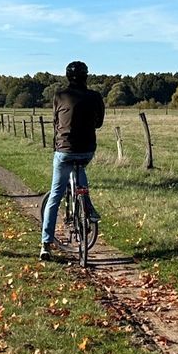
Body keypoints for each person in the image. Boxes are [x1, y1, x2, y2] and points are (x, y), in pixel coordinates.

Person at [41, 60, 105, 260]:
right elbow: (99, 123)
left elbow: (56, 121)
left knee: (55, 195)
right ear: (86, 77)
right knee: (80, 169)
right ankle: (87, 205)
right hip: (86, 150)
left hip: (64, 149)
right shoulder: (95, 96)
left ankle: (45, 244)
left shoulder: (60, 96)